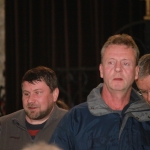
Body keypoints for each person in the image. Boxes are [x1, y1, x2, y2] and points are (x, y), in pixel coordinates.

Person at [49, 34, 150, 150]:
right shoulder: (75, 119)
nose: (118, 68)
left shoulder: (147, 119)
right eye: (111, 62)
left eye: (126, 63)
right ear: (101, 70)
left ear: (136, 72)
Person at [0, 66, 68, 150]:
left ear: (55, 94)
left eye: (38, 93)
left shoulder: (73, 125)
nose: (30, 100)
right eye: (26, 94)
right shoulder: (4, 126)